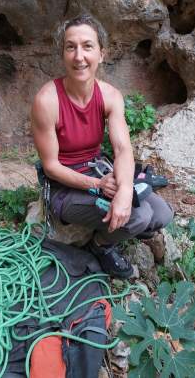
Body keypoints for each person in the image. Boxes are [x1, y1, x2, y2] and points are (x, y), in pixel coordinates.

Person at [31, 14, 173, 279]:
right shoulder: (47, 101)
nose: (79, 56)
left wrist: (124, 189)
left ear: (101, 53)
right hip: (66, 188)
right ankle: (101, 245)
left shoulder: (109, 95)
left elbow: (122, 149)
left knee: (163, 214)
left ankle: (118, 224)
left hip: (100, 170)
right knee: (140, 217)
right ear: (62, 54)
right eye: (70, 47)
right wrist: (97, 186)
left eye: (87, 46)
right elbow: (50, 166)